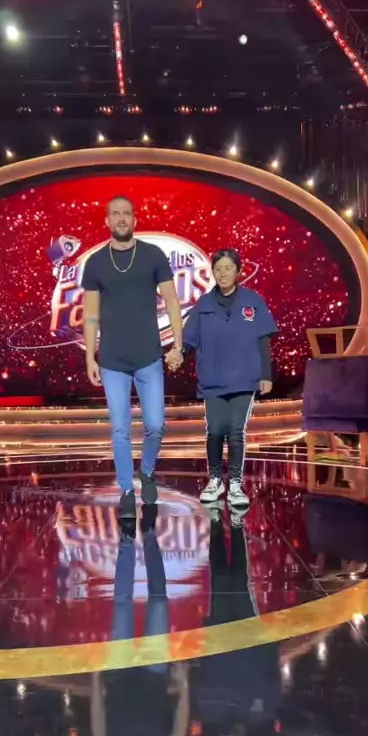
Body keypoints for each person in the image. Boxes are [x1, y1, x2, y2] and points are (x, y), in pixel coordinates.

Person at [82, 196, 183, 518]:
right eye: (115, 214)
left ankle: (147, 472)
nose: (121, 219)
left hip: (149, 356)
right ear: (107, 221)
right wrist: (90, 357)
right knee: (120, 430)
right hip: (112, 360)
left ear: (135, 220)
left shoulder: (153, 255)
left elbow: (172, 302)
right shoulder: (96, 262)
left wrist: (178, 346)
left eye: (127, 214)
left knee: (156, 425)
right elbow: (90, 315)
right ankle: (126, 489)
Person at [167, 249, 277, 507]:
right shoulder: (203, 305)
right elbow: (188, 339)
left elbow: (263, 339)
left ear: (239, 271)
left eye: (228, 268)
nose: (223, 273)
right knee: (215, 430)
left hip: (245, 377)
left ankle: (235, 484)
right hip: (213, 378)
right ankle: (215, 480)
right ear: (212, 273)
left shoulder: (253, 301)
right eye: (218, 269)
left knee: (236, 431)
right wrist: (178, 353)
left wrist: (266, 375)